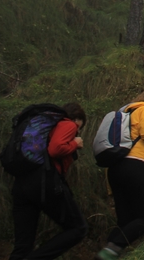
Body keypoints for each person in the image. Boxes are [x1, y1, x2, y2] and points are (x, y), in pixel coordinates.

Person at [9, 103, 88, 260]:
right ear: (76, 119)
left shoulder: (43, 126)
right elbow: (56, 148)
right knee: (78, 228)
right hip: (45, 182)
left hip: (21, 183)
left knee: (22, 246)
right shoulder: (67, 123)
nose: (77, 131)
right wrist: (74, 143)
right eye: (79, 127)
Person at [96, 92, 144, 260]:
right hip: (135, 165)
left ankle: (105, 254)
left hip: (114, 169)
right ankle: (111, 250)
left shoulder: (125, 112)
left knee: (125, 221)